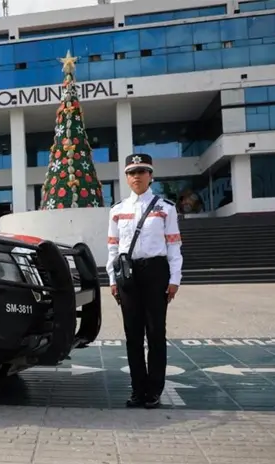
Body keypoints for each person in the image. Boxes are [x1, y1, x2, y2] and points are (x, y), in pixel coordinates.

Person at [106, 153, 183, 409]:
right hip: (128, 274)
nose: (136, 176)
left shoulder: (166, 208)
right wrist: (112, 279)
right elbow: (113, 248)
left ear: (150, 175)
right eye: (131, 172)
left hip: (155, 272)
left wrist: (174, 279)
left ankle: (154, 390)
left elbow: (174, 247)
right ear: (126, 177)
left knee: (156, 333)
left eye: (141, 171)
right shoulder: (117, 210)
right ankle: (138, 390)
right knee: (132, 335)